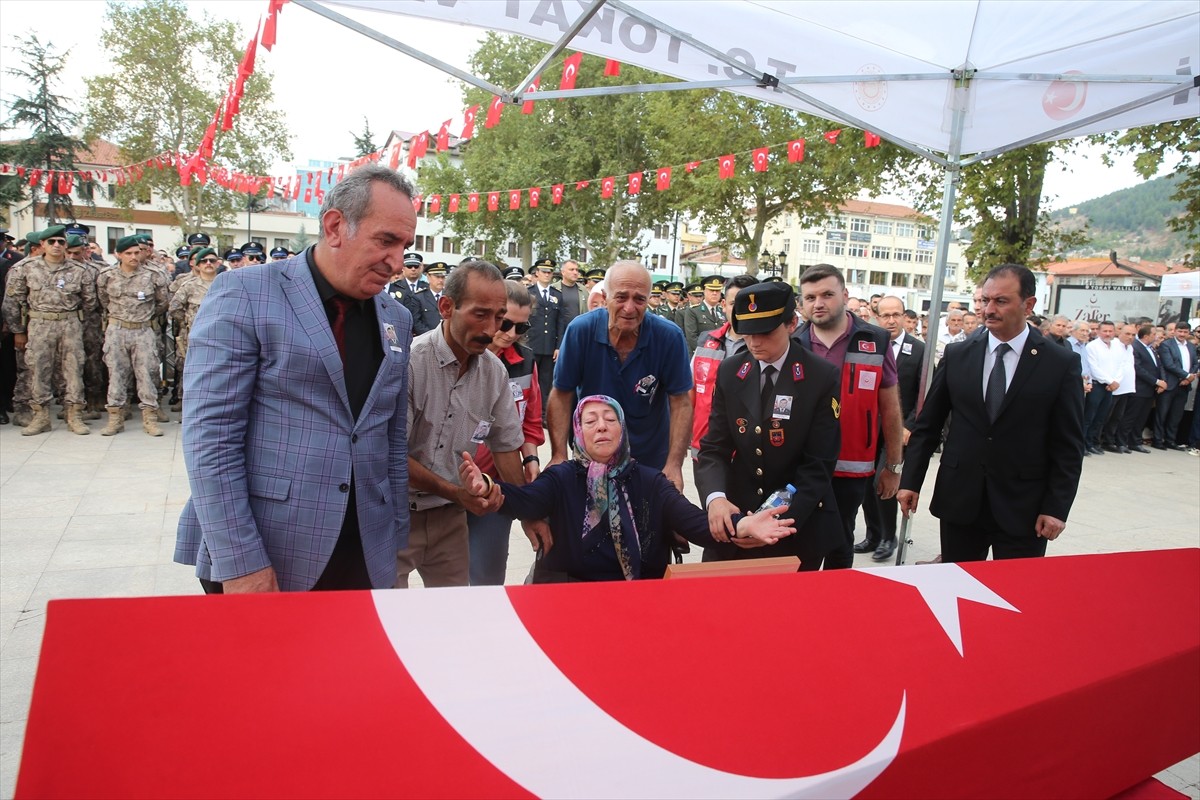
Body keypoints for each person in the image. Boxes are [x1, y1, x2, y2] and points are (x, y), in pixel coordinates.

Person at [175, 164, 418, 593]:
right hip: (269, 550)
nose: (396, 263)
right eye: (386, 241)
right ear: (335, 226)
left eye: (405, 246)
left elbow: (390, 437)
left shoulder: (395, 318)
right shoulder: (245, 294)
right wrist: (240, 562)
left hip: (365, 550)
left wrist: (393, 538)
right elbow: (210, 439)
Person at [460, 395, 795, 581]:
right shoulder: (563, 477)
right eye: (590, 421)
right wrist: (488, 487)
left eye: (610, 418)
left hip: (638, 595)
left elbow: (694, 523)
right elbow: (525, 501)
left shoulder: (649, 480)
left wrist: (743, 524)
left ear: (623, 429)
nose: (601, 426)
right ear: (578, 433)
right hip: (571, 594)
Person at [898, 264, 1085, 562]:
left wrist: (1056, 507)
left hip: (1023, 507)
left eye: (1001, 301)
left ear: (1029, 304)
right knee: (957, 592)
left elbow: (1069, 445)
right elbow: (928, 425)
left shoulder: (1060, 363)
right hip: (960, 501)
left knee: (1015, 598)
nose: (989, 309)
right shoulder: (959, 355)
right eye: (985, 300)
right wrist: (910, 480)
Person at [400, 259, 548, 588]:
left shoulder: (493, 372)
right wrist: (456, 492)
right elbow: (391, 454)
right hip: (396, 513)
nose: (491, 329)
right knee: (384, 613)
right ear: (446, 307)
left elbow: (507, 446)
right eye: (480, 314)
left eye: (498, 317)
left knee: (458, 615)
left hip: (449, 516)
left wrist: (528, 512)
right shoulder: (410, 363)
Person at [694, 281, 843, 571]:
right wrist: (716, 500)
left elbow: (818, 465)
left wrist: (772, 520)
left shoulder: (820, 376)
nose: (754, 342)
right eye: (747, 333)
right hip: (738, 519)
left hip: (795, 520)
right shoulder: (731, 371)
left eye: (765, 332)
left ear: (791, 323)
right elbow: (714, 448)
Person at [548, 260, 692, 491]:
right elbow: (561, 394)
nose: (629, 307)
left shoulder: (669, 337)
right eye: (621, 297)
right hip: (591, 459)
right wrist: (558, 455)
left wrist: (674, 465)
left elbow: (681, 403)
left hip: (649, 459)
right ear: (605, 297)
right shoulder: (580, 330)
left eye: (639, 299)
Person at [794, 264, 904, 569]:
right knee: (801, 543)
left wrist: (893, 466)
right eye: (810, 297)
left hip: (852, 467)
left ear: (844, 295)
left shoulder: (876, 339)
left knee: (841, 540)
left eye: (827, 294)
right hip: (802, 467)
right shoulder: (793, 344)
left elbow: (891, 408)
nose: (818, 303)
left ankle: (836, 608)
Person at [466, 280, 546, 585]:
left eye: (521, 327)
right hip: (449, 484)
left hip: (497, 487)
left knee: (487, 576)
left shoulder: (525, 363)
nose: (511, 334)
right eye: (506, 323)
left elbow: (530, 424)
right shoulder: (462, 354)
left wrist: (531, 461)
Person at [1, 225, 97, 436]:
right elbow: (12, 302)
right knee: (38, 371)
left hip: (70, 324)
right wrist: (19, 330)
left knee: (73, 371)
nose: (56, 245)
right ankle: (41, 416)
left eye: (60, 242)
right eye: (51, 242)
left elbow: (90, 304)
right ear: (42, 245)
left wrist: (79, 325)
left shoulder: (79, 271)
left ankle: (74, 415)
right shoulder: (25, 268)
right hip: (39, 325)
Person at [856, 295, 925, 562]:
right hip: (869, 428)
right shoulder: (868, 346)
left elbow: (923, 394)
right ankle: (873, 535)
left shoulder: (918, 350)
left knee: (882, 482)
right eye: (885, 315)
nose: (891, 320)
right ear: (877, 316)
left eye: (896, 315)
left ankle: (888, 536)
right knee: (864, 483)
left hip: (898, 431)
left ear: (905, 317)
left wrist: (910, 425)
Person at [95, 235, 170, 437]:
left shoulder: (153, 275)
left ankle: (150, 418)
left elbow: (162, 303)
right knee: (116, 374)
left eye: (137, 252)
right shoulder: (107, 275)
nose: (134, 257)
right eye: (128, 253)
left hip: (144, 329)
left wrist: (144, 318)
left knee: (147, 374)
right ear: (118, 254)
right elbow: (102, 300)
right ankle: (115, 418)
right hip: (116, 330)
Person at [689, 274, 756, 463]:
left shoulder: (767, 348)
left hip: (748, 454)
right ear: (724, 304)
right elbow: (689, 394)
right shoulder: (706, 341)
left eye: (748, 303)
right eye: (735, 303)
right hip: (704, 449)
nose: (740, 310)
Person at [526, 257, 565, 421]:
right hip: (532, 344)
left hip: (549, 346)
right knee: (529, 379)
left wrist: (558, 345)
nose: (547, 275)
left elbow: (560, 322)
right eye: (544, 271)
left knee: (546, 382)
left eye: (550, 272)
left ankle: (543, 414)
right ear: (537, 273)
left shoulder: (557, 295)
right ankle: (529, 413)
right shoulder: (529, 293)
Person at [1154, 321, 1198, 450]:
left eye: (1185, 332)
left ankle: (1170, 440)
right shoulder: (1166, 345)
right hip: (1170, 383)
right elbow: (1168, 364)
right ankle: (1157, 440)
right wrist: (1186, 375)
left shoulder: (1191, 346)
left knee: (1176, 415)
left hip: (1184, 385)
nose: (1182, 334)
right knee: (1162, 413)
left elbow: (1195, 364)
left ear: (1189, 332)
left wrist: (1190, 377)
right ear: (1175, 331)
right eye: (1180, 331)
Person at [1124, 323, 1165, 454]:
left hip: (1149, 389)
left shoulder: (1151, 348)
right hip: (1139, 388)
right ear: (1146, 336)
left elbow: (1159, 366)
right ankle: (1122, 441)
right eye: (1154, 334)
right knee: (1131, 416)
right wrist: (1156, 381)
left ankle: (1135, 441)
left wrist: (1161, 382)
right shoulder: (1136, 347)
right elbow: (1139, 369)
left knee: (1142, 417)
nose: (1156, 336)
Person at [1083, 320, 1120, 456]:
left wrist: (1115, 381)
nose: (1108, 334)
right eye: (1105, 331)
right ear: (1098, 332)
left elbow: (1120, 365)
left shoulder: (1116, 346)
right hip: (1097, 385)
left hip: (1110, 387)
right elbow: (1093, 367)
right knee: (1089, 416)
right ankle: (1083, 444)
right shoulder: (1092, 346)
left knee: (1101, 417)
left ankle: (1092, 443)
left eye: (1110, 331)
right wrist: (1109, 380)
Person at [1101, 323, 1136, 453]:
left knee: (1117, 416)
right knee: (1106, 416)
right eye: (1127, 334)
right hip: (1113, 387)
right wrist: (1112, 381)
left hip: (1126, 387)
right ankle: (1100, 440)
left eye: (1133, 335)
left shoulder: (1130, 347)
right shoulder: (1114, 345)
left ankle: (1110, 440)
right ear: (1119, 332)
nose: (1130, 337)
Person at [682, 274, 726, 353]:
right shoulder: (693, 311)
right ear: (704, 291)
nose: (715, 293)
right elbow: (692, 337)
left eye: (718, 290)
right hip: (701, 355)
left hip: (721, 354)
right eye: (711, 290)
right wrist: (707, 353)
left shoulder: (723, 311)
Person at [402, 260, 444, 335]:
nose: (440, 280)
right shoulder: (419, 297)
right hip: (427, 339)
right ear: (428, 277)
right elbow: (416, 322)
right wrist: (431, 336)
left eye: (443, 277)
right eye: (437, 277)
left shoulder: (450, 296)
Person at [551, 258, 587, 327]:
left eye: (577, 270)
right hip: (560, 332)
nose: (575, 272)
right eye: (571, 270)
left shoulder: (583, 290)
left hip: (578, 330)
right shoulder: (553, 289)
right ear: (563, 272)